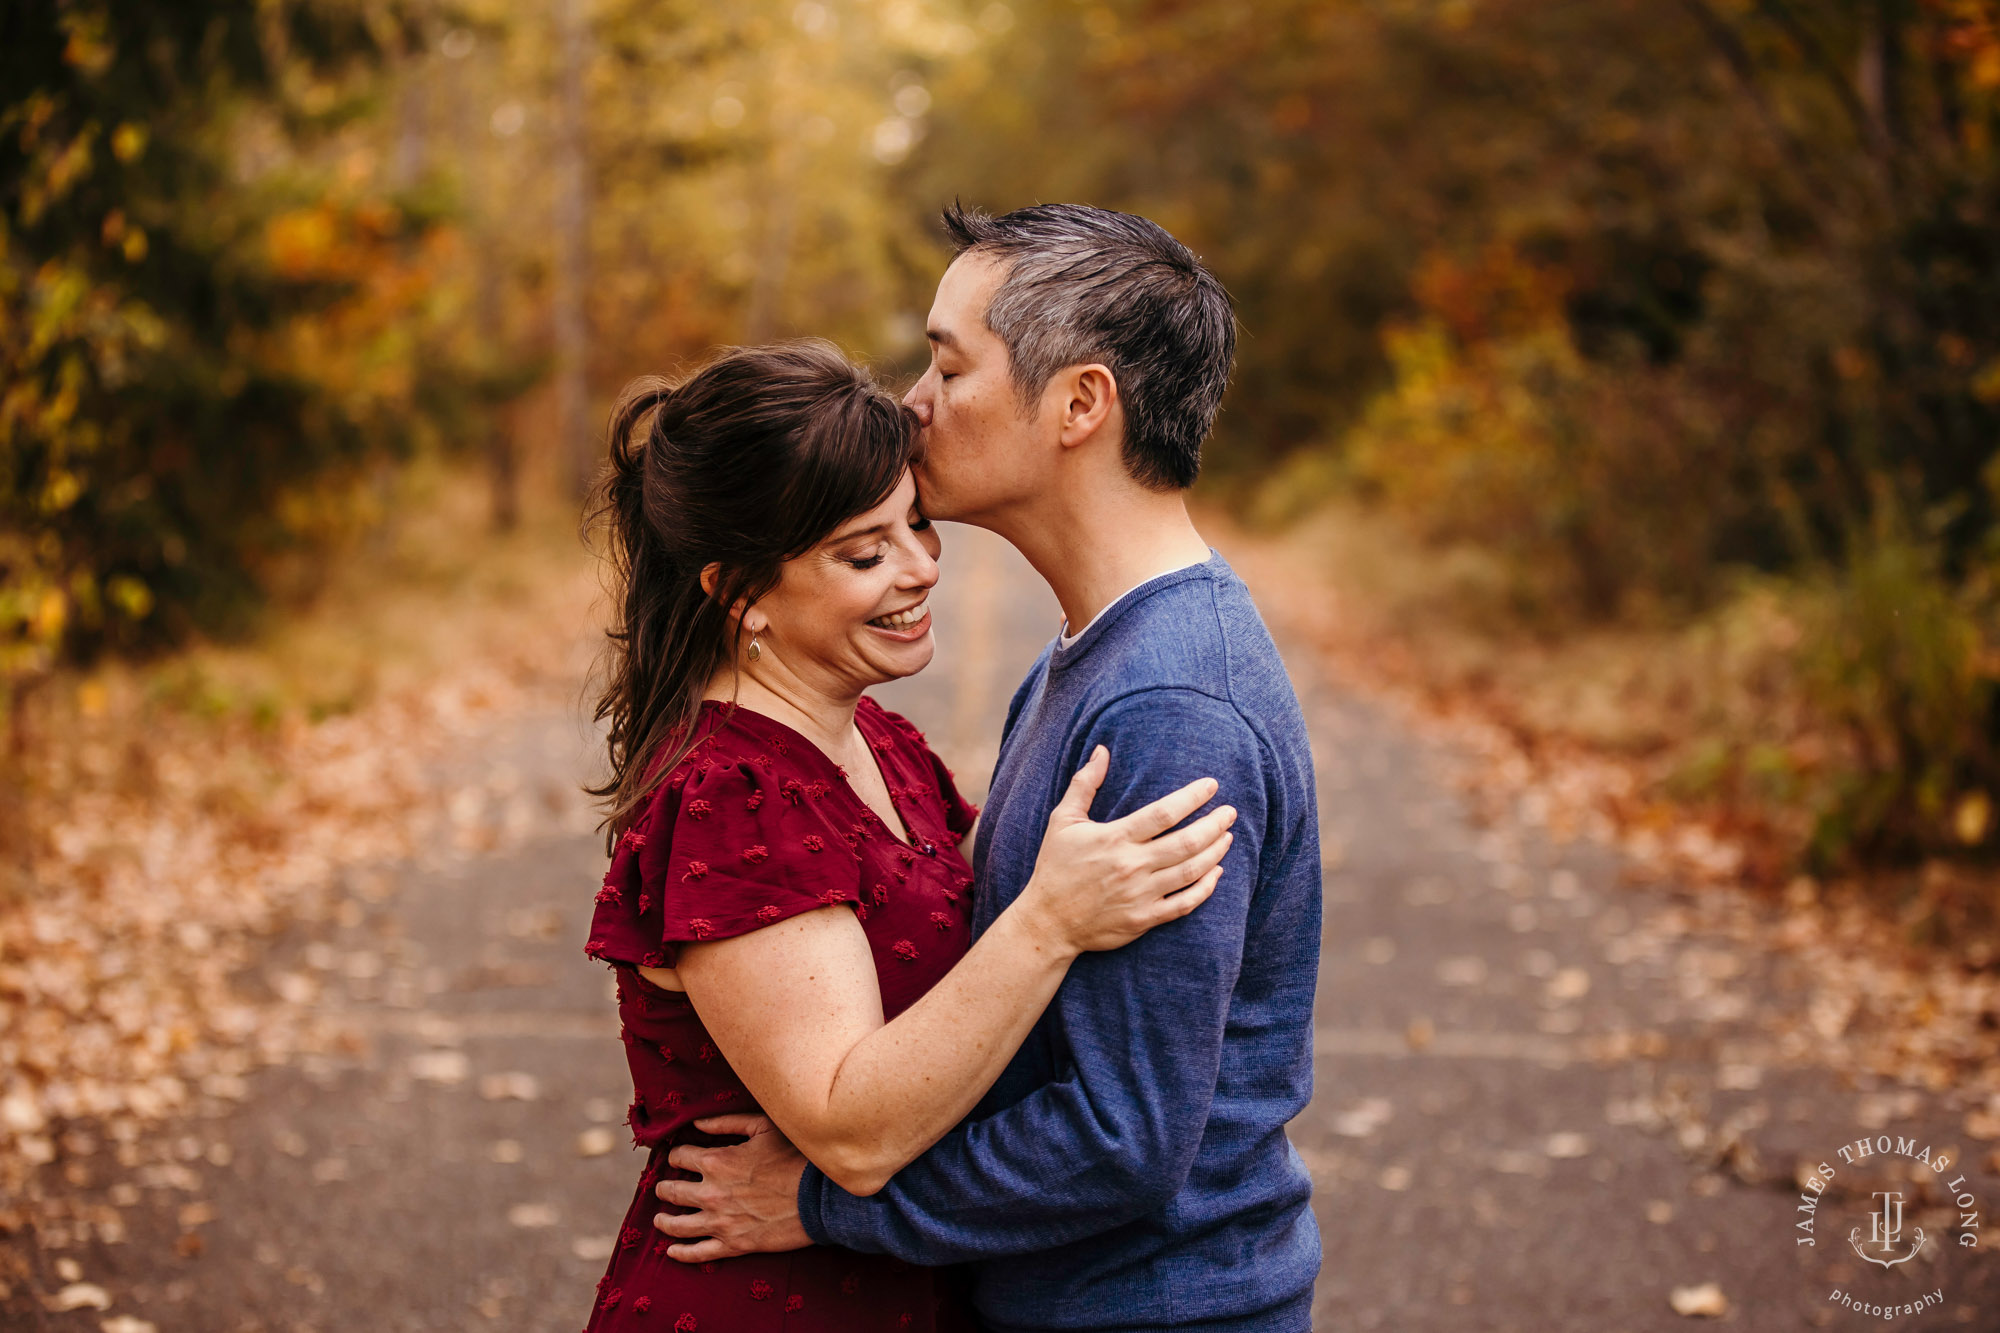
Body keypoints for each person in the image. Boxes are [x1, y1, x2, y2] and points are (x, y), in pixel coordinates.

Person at [650, 205, 1324, 1333]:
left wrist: (827, 1204)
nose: (914, 402)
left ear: (1078, 405)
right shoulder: (1094, 649)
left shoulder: (1167, 705)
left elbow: (1122, 1137)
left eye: (949, 365)